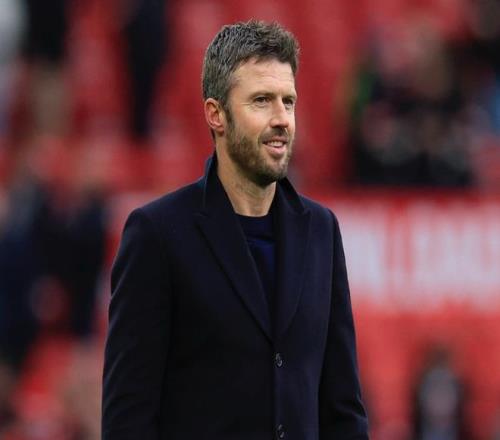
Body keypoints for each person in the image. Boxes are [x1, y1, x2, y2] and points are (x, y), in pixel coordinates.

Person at [102, 20, 369, 440]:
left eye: (288, 101)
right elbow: (128, 419)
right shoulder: (157, 234)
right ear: (216, 114)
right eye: (262, 101)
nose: (282, 119)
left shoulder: (321, 231)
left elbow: (342, 409)